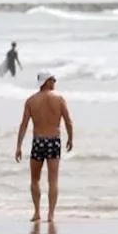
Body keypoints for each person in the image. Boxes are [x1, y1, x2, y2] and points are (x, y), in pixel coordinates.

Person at [14, 71, 73, 222]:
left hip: (38, 142)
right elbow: (68, 121)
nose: (55, 82)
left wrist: (19, 146)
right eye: (53, 79)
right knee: (53, 180)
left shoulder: (31, 101)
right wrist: (70, 138)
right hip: (54, 141)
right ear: (46, 81)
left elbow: (24, 125)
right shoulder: (59, 99)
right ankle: (51, 214)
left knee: (35, 179)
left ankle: (36, 212)